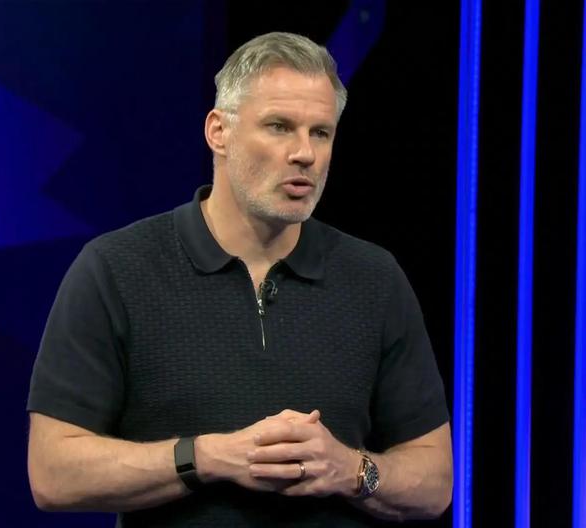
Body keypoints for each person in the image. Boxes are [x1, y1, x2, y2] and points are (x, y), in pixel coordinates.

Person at [27, 31, 453, 526]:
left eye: (320, 133)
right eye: (279, 127)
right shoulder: (116, 268)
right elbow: (53, 472)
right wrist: (206, 458)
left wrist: (352, 470)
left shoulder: (374, 278)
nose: (305, 153)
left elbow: (435, 482)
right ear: (218, 131)